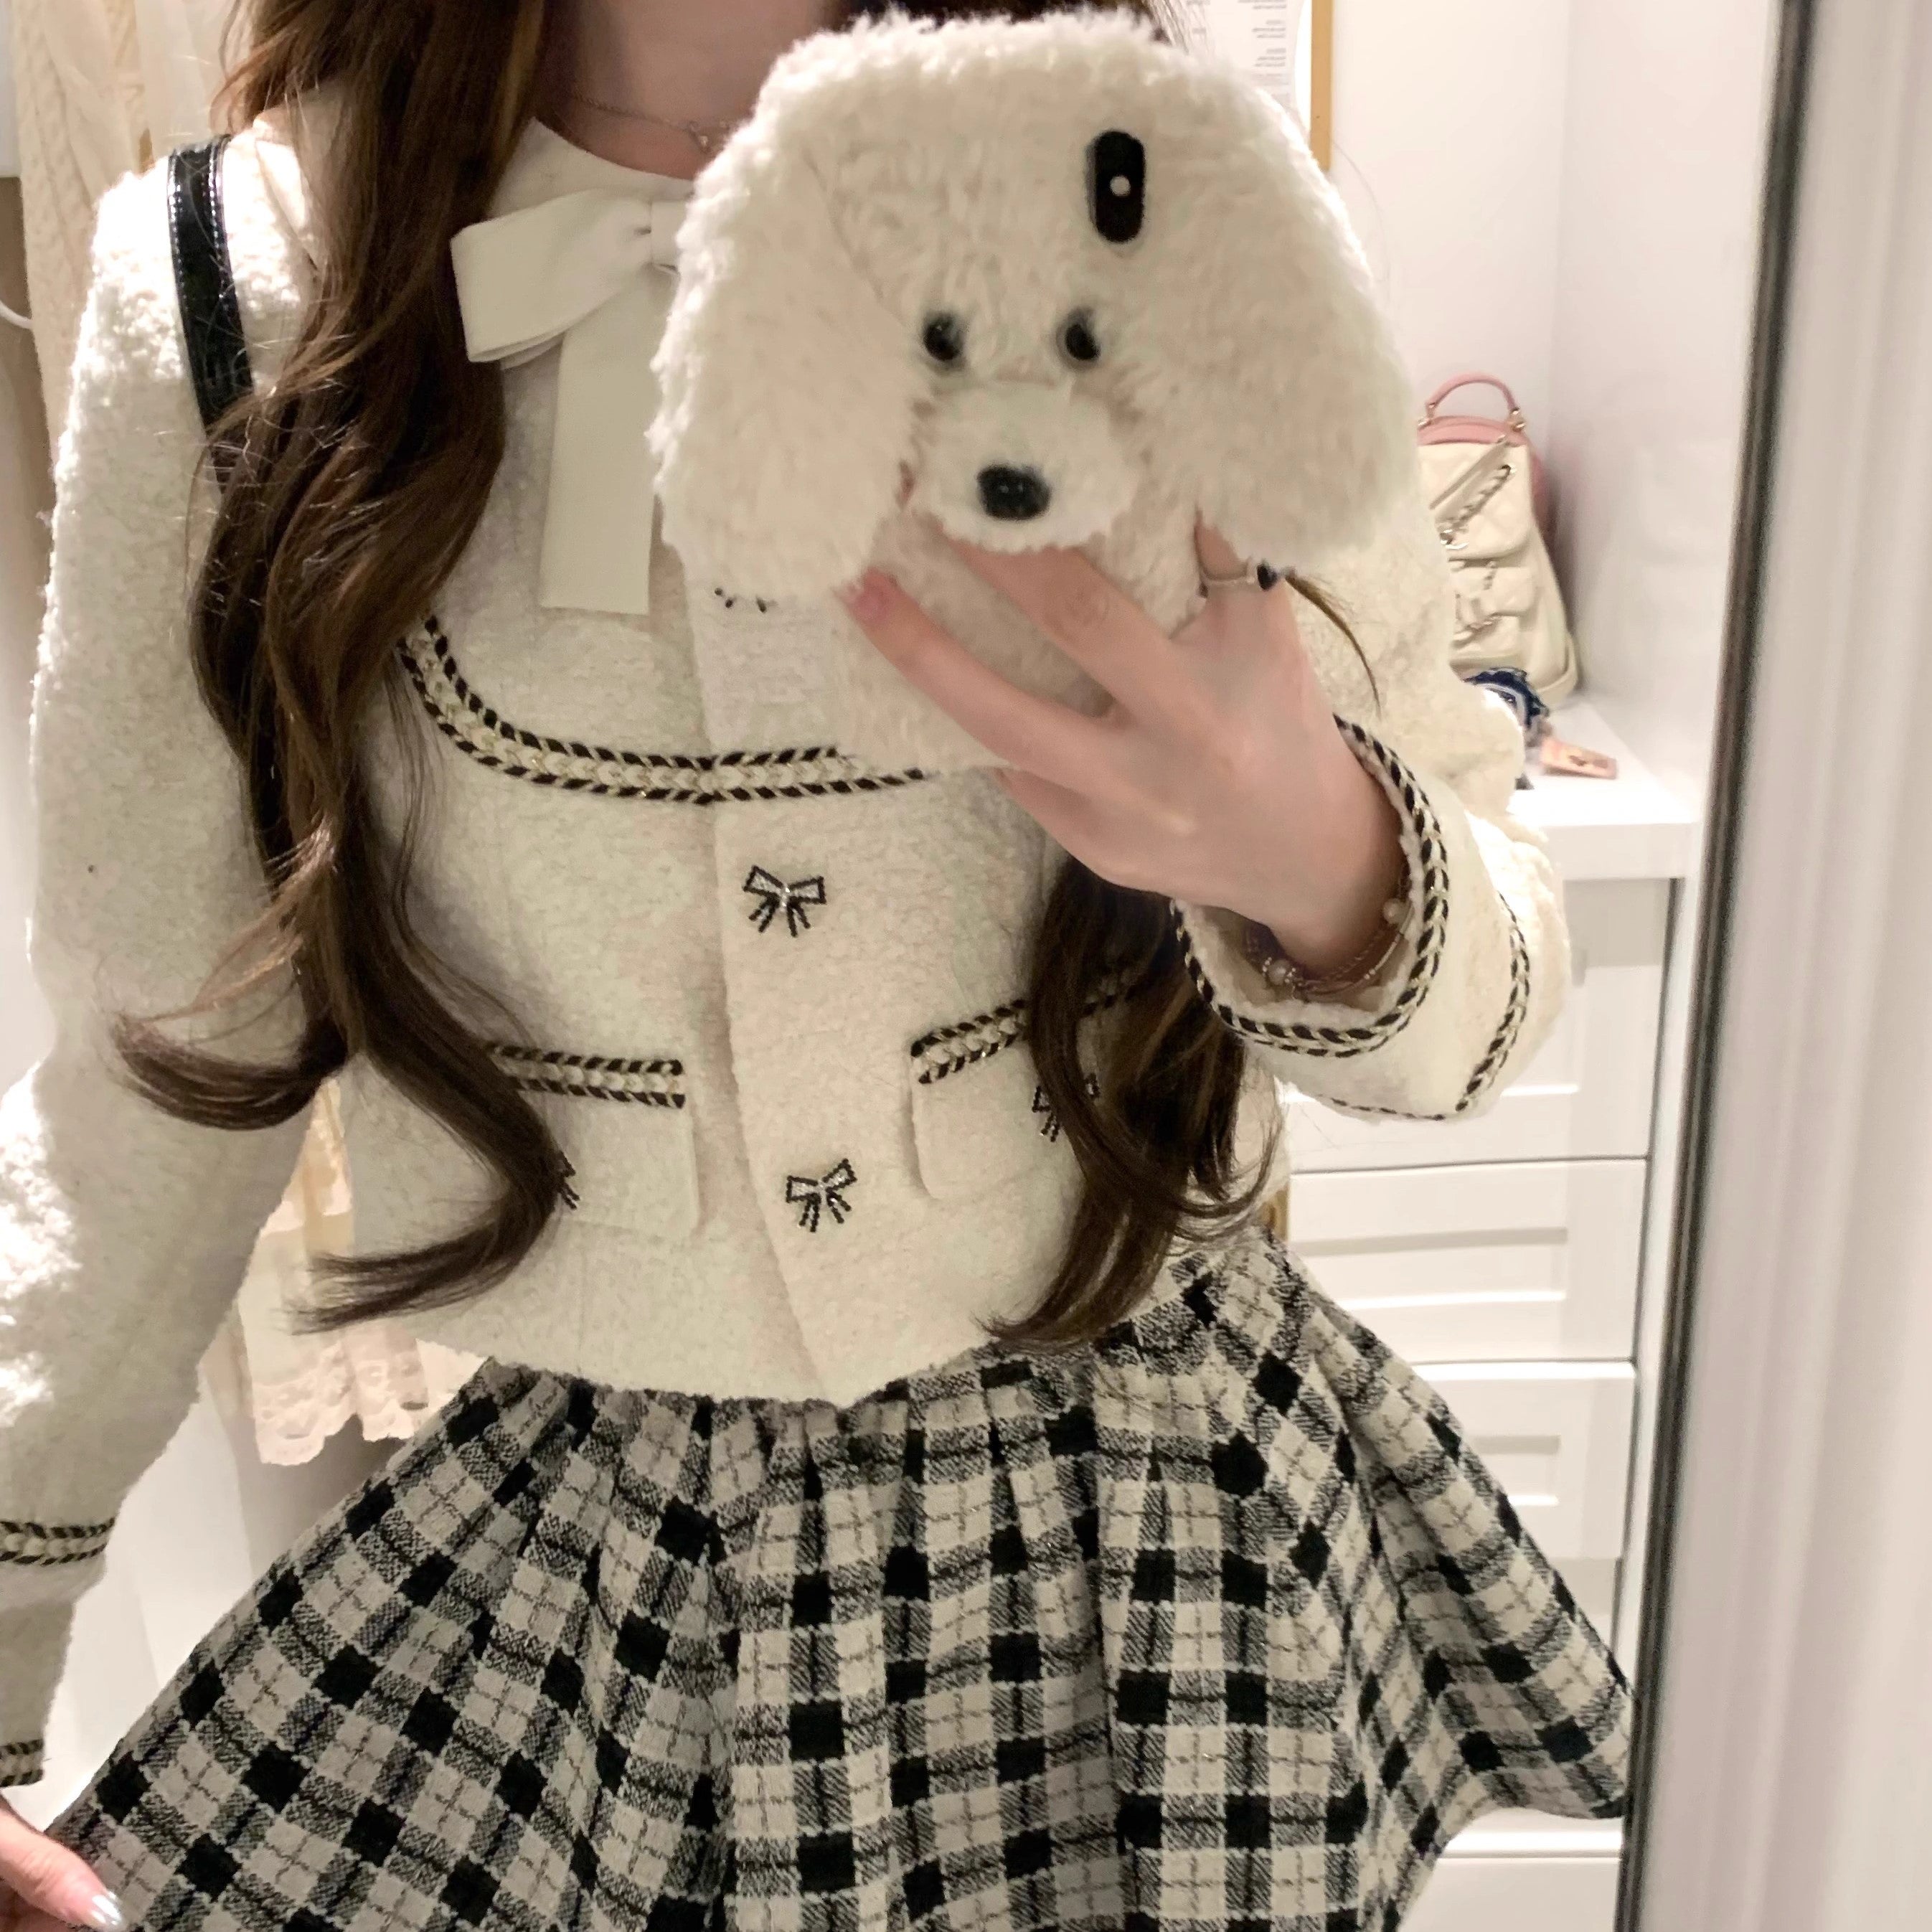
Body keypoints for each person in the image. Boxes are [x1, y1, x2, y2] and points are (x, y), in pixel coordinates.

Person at [0, 2, 1628, 1928]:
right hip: (606, 1595)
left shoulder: (1165, 190)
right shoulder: (238, 279)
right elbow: (146, 1095)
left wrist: (1318, 848)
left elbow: (1489, 995)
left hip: (1163, 1553)